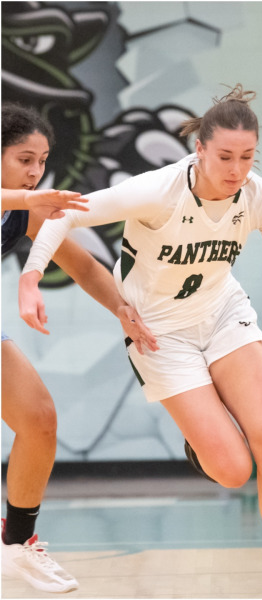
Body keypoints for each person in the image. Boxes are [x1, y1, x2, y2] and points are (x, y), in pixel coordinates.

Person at [19, 85, 262, 599]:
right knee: (232, 470)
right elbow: (65, 213)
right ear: (200, 149)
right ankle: (202, 438)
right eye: (225, 156)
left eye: (247, 157)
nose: (236, 169)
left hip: (223, 314)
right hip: (160, 335)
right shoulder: (158, 190)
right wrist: (31, 276)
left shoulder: (259, 198)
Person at [2, 103, 157, 593]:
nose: (35, 171)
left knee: (39, 419)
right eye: (23, 159)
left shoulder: (22, 213)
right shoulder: (23, 203)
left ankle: (17, 547)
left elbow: (86, 267)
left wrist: (124, 311)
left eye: (41, 160)